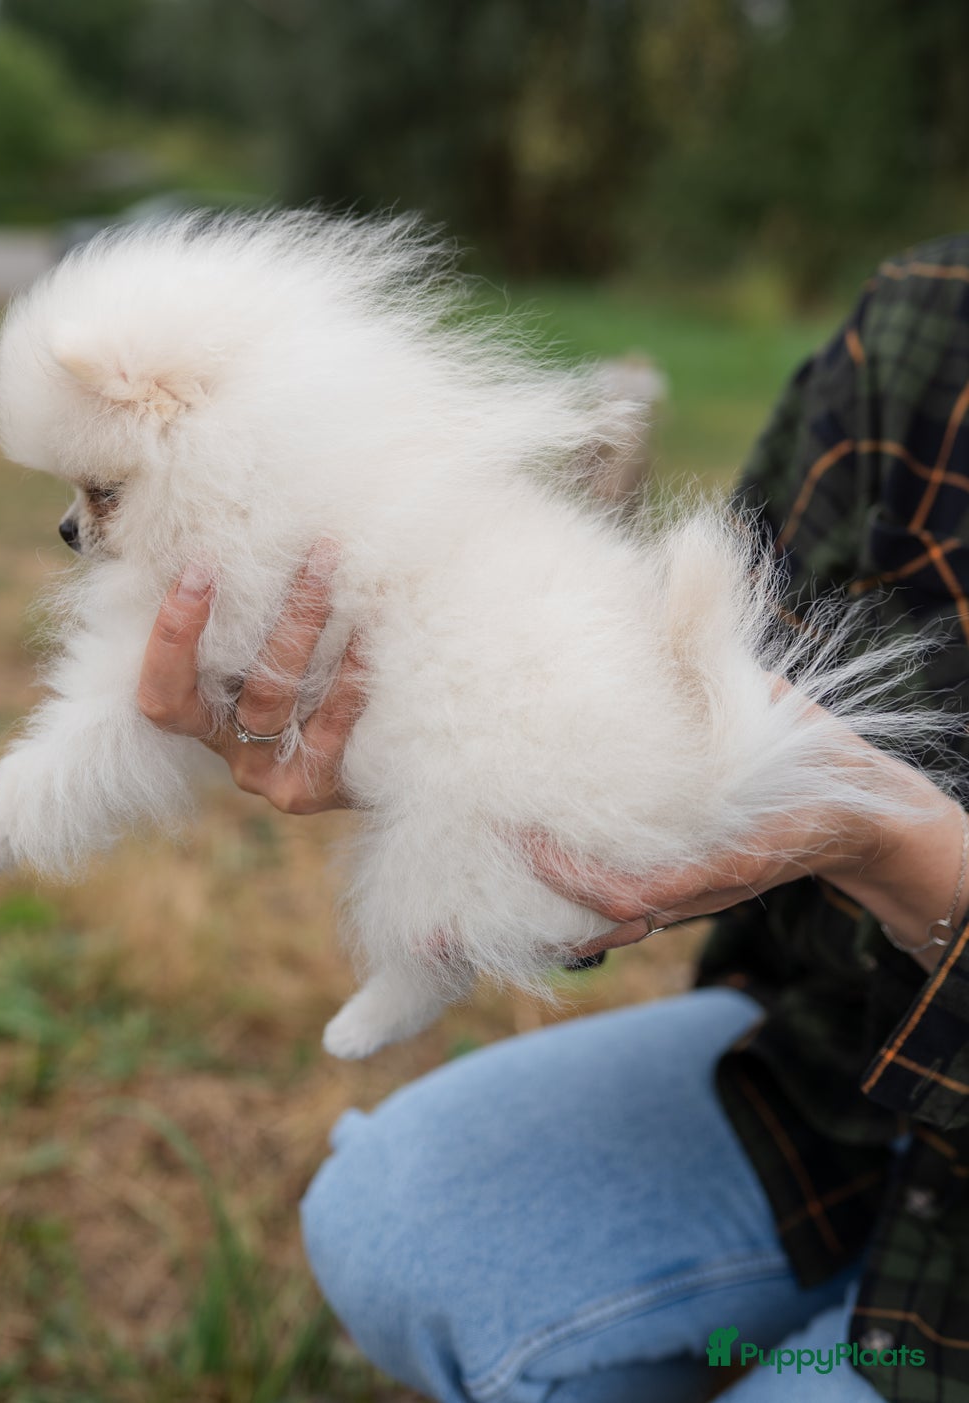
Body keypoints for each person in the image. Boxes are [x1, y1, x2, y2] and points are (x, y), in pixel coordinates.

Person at [136, 238, 969, 1402]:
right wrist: (471, 712)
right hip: (830, 1077)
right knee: (400, 1225)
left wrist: (901, 847)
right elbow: (711, 633)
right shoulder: (927, 321)